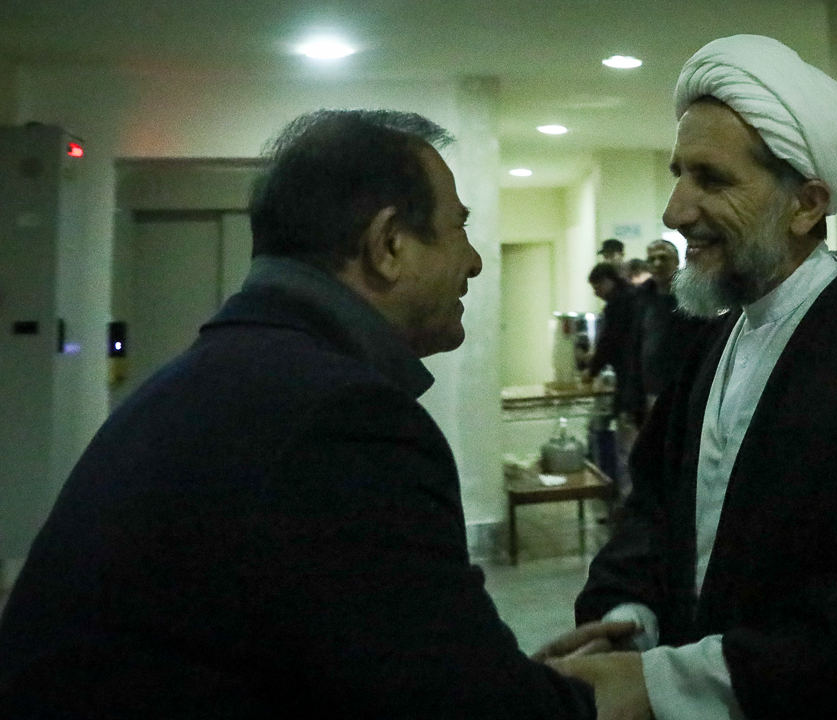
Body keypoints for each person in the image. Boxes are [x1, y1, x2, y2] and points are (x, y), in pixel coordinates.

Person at [0, 109, 634, 718]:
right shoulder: (342, 423)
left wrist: (497, 677)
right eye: (458, 228)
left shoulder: (217, 380)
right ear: (388, 244)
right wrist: (615, 694)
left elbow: (375, 671)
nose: (473, 261)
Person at [562, 35, 837, 720]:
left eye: (711, 179)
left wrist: (663, 684)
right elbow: (655, 513)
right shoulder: (718, 339)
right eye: (679, 173)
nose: (675, 212)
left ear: (806, 204)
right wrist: (628, 619)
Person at [628, 239, 709, 417]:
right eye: (652, 259)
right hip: (650, 390)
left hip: (685, 389)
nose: (657, 263)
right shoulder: (641, 298)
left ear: (677, 261)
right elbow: (635, 347)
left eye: (663, 258)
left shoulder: (695, 296)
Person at [584, 261, 641, 499]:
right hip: (643, 384)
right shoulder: (638, 298)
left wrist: (591, 372)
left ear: (609, 281)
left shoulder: (619, 305)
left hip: (631, 387)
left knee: (628, 451)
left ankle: (628, 503)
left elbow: (608, 343)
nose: (596, 292)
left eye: (597, 286)